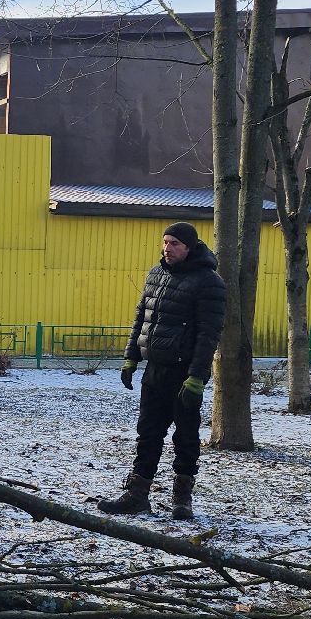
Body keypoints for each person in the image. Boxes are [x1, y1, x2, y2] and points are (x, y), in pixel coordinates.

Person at [103, 221, 225, 522]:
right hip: (155, 370)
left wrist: (197, 377)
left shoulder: (209, 282)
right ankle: (137, 494)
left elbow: (208, 334)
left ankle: (182, 498)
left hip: (185, 374)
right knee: (148, 433)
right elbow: (141, 320)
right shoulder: (156, 275)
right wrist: (130, 358)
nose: (167, 248)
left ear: (189, 247)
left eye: (174, 244)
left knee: (185, 437)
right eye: (165, 242)